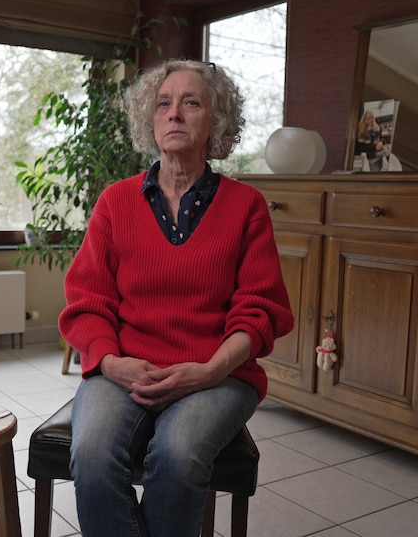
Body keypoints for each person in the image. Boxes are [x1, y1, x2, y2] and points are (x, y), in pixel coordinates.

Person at [57, 58, 294, 537]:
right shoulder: (115, 202)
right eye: (163, 104)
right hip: (125, 365)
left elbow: (259, 309)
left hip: (217, 372)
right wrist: (108, 362)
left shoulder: (246, 206)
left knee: (179, 455)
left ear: (216, 121)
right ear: (150, 118)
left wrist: (210, 370)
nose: (174, 114)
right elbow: (87, 299)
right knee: (93, 453)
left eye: (191, 103)